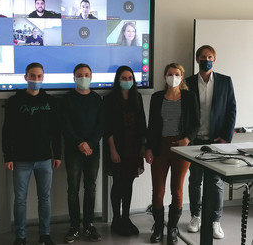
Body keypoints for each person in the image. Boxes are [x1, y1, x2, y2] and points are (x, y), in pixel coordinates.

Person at [2, 62, 62, 245]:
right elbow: (7, 131)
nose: (35, 79)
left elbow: (55, 130)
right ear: (25, 77)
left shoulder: (50, 102)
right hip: (20, 160)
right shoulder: (14, 101)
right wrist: (8, 156)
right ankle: (20, 237)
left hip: (45, 159)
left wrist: (57, 154)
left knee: (44, 199)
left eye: (39, 76)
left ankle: (45, 235)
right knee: (20, 200)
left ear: (43, 78)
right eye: (32, 76)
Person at [145, 63, 200, 245]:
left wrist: (187, 139)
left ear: (181, 77)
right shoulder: (157, 97)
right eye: (170, 74)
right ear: (164, 77)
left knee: (177, 191)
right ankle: (159, 227)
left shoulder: (189, 97)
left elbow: (196, 124)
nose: (173, 77)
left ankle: (173, 228)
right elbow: (151, 125)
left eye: (177, 74)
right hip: (160, 147)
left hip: (182, 148)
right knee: (158, 192)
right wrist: (148, 148)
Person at [186, 45, 236, 239]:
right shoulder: (188, 82)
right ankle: (195, 217)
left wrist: (226, 138)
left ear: (214, 59)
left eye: (210, 57)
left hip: (217, 141)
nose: (207, 59)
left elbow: (231, 110)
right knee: (195, 180)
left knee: (215, 182)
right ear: (197, 59)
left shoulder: (225, 82)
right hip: (195, 140)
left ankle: (215, 221)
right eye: (203, 56)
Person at [62, 63, 104, 243]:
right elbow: (65, 125)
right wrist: (80, 143)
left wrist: (90, 143)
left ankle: (89, 225)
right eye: (80, 75)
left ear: (91, 77)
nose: (83, 78)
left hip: (93, 150)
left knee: (91, 187)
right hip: (73, 150)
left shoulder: (97, 99)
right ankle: (74, 226)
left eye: (86, 75)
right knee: (73, 189)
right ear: (74, 78)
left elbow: (101, 125)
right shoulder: (66, 99)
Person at [104, 66, 146, 236]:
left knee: (128, 183)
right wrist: (113, 150)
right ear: (118, 79)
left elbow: (142, 123)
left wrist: (143, 146)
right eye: (124, 78)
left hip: (134, 148)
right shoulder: (109, 99)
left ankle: (126, 218)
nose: (127, 81)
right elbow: (108, 128)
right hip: (117, 148)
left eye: (130, 78)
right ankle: (116, 219)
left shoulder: (138, 97)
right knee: (118, 184)